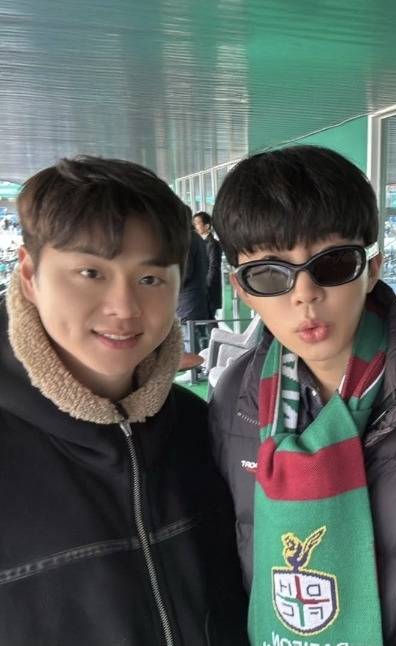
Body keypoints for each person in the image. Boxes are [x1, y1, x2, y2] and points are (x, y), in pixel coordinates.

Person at [208, 145, 396, 646]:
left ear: (372, 268)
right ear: (242, 289)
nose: (304, 294)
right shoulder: (235, 400)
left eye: (333, 264)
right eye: (269, 274)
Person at [0, 156, 247, 645]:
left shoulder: (203, 429)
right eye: (90, 272)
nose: (124, 308)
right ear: (29, 274)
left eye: (150, 279)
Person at [176, 226, 210, 323]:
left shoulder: (187, 240)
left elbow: (186, 272)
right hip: (197, 299)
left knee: (189, 330)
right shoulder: (197, 237)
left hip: (188, 302)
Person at [193, 211, 223, 318]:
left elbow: (213, 267)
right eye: (194, 223)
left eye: (197, 223)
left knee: (209, 318)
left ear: (206, 226)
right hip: (202, 289)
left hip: (209, 289)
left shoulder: (212, 244)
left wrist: (206, 286)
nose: (194, 226)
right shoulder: (200, 243)